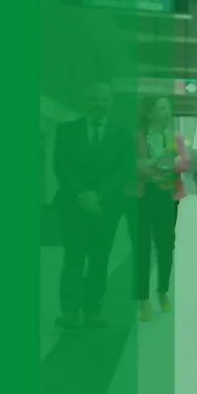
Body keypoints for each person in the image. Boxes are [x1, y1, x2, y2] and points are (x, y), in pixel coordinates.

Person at [53, 81, 131, 329]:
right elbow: (60, 166)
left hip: (106, 207)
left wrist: (98, 194)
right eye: (95, 100)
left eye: (104, 100)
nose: (99, 104)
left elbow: (124, 170)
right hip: (74, 205)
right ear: (86, 101)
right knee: (73, 257)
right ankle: (70, 311)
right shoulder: (66, 131)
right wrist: (82, 194)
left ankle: (93, 308)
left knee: (99, 259)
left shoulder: (123, 133)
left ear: (111, 102)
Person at [135, 95, 189, 322]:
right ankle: (143, 299)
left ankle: (162, 292)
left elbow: (184, 161)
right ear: (150, 113)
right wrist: (159, 165)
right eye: (161, 108)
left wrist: (164, 164)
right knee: (142, 247)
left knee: (166, 246)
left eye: (168, 109)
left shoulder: (174, 137)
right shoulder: (136, 137)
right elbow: (132, 164)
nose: (166, 113)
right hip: (142, 196)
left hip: (168, 197)